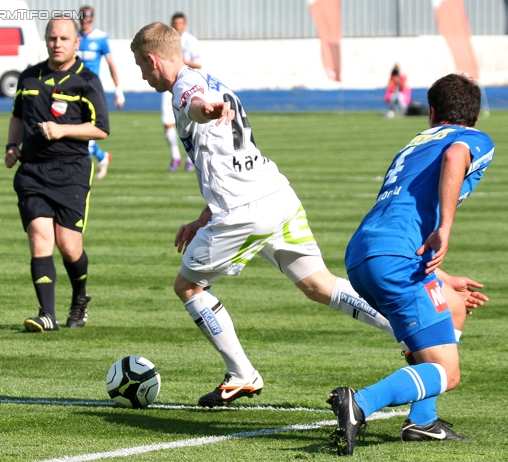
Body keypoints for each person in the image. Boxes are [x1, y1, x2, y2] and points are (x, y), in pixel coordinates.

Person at [130, 23, 488, 409]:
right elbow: (230, 158)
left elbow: (197, 104)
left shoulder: (186, 86)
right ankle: (410, 335)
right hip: (276, 195)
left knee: (188, 286)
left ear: (152, 59)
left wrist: (207, 109)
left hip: (243, 211)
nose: (142, 74)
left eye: (140, 66)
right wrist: (203, 217)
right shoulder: (211, 78)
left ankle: (242, 374)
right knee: (319, 285)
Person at [327, 73, 495, 455]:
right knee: (448, 373)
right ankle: (361, 404)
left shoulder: (415, 143)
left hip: (365, 254)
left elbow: (399, 214)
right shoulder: (471, 139)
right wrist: (445, 230)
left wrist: (442, 277)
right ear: (476, 115)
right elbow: (456, 157)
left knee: (453, 306)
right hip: (396, 260)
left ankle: (422, 422)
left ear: (432, 112)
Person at [5, 17, 109, 333]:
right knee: (39, 236)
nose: (57, 43)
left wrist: (62, 129)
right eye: (52, 38)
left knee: (69, 245)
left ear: (76, 43)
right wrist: (12, 145)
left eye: (64, 38)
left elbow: (101, 129)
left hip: (72, 172)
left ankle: (79, 297)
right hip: (33, 171)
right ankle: (46, 315)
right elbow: (17, 116)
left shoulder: (87, 81)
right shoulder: (28, 77)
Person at [77, 5, 123, 179]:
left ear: (93, 18)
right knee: (78, 126)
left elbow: (111, 64)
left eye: (88, 17)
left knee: (89, 127)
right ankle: (102, 157)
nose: (85, 20)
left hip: (92, 90)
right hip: (74, 89)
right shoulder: (74, 37)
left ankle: (84, 168)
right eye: (82, 16)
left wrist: (119, 90)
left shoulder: (101, 38)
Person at [163, 12, 202, 172]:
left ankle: (190, 158)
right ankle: (175, 156)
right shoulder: (165, 42)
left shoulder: (191, 41)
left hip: (186, 84)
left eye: (180, 24)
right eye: (174, 23)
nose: (177, 26)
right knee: (167, 122)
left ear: (184, 25)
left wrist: (181, 62)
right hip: (168, 85)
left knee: (190, 122)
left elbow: (199, 64)